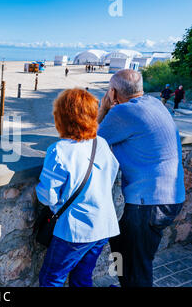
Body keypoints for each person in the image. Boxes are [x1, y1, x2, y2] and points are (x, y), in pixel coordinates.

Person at [98, 69, 185, 287]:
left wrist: (103, 109)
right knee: (126, 251)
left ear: (113, 91)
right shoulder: (155, 104)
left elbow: (89, 141)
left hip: (147, 203)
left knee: (136, 265)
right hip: (170, 197)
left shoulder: (123, 113)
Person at [36, 88, 120, 287]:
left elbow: (48, 197)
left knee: (51, 278)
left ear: (62, 117)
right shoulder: (101, 143)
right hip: (103, 224)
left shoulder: (59, 151)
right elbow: (110, 176)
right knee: (82, 277)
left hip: (75, 230)